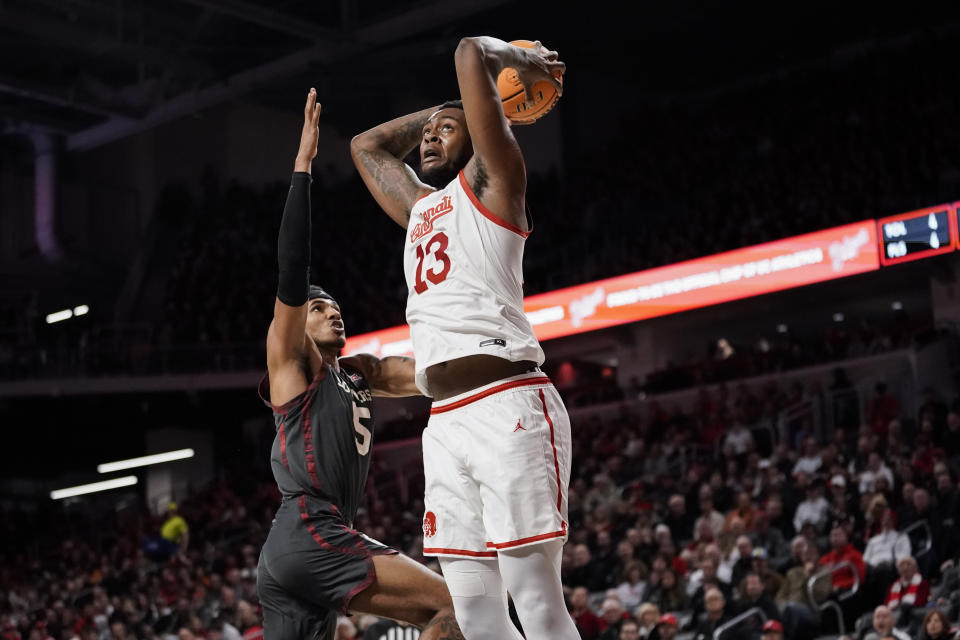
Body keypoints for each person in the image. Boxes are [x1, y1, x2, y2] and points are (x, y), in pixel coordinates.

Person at [351, 37, 575, 640]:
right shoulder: (421, 209)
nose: (429, 138)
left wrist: (515, 64)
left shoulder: (497, 181)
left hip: (509, 405)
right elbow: (366, 147)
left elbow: (468, 51)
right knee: (473, 610)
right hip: (444, 421)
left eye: (447, 129)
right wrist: (435, 116)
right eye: (427, 132)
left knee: (534, 598)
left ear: (481, 136)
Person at [256, 89, 464, 640]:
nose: (333, 313)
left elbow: (431, 373)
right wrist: (303, 165)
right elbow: (292, 269)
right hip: (310, 530)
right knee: (456, 608)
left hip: (298, 551)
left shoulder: (359, 373)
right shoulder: (293, 363)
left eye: (337, 307)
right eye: (320, 309)